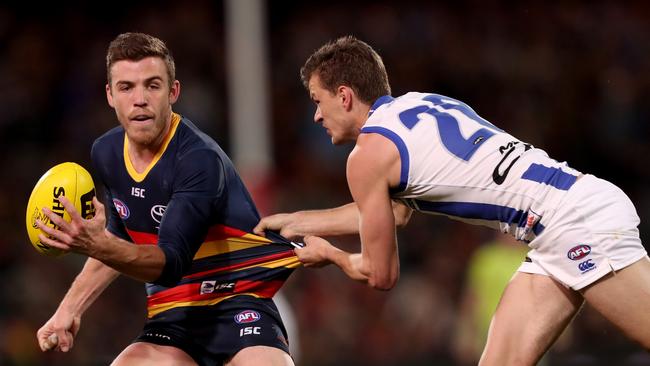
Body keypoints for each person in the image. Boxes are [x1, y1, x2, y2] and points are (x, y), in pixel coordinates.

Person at [254, 35, 650, 365]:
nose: (315, 116)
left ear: (344, 96)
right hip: (560, 219)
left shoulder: (367, 157)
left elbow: (381, 274)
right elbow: (392, 212)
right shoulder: (421, 104)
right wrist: (298, 221)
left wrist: (331, 255)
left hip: (572, 222)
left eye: (316, 100)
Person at [35, 32, 300, 366]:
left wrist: (95, 243)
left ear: (173, 92)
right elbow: (119, 236)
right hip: (173, 317)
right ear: (110, 96)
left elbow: (169, 264)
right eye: (126, 87)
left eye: (153, 85)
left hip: (238, 306)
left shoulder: (198, 159)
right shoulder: (105, 153)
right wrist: (67, 310)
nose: (140, 99)